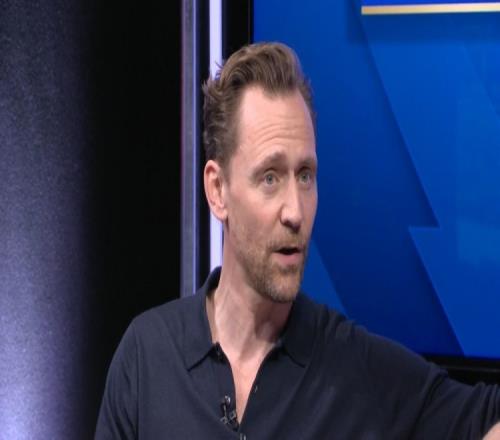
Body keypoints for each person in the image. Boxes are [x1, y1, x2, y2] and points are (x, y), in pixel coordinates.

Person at [95, 42, 500, 439]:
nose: (295, 211)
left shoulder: (355, 369)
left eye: (305, 175)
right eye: (270, 177)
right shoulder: (147, 357)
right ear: (218, 190)